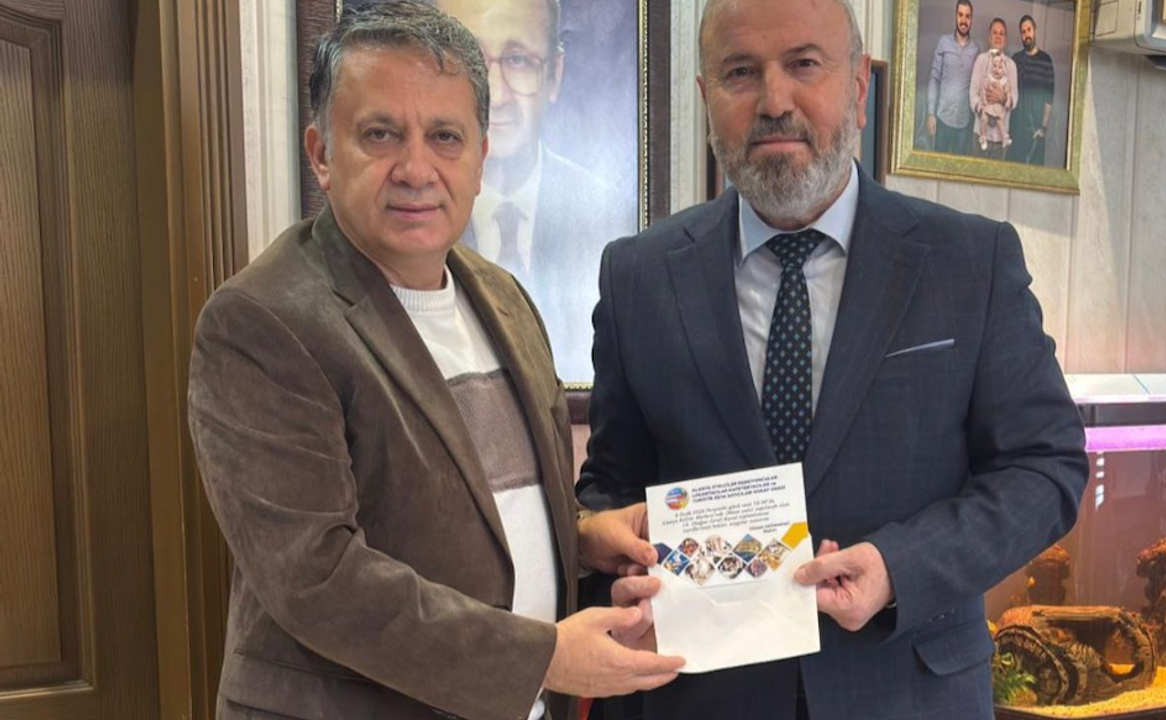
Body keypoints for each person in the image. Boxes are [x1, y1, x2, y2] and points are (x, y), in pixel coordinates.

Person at [576, 0, 1088, 718]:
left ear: (858, 86)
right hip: (696, 696)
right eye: (740, 72)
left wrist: (899, 568)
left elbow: (1045, 467)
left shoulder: (970, 261)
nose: (774, 101)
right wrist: (602, 550)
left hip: (907, 694)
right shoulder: (638, 275)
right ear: (705, 97)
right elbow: (611, 487)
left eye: (804, 64)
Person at [187, 4, 682, 719]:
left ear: (480, 158)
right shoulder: (261, 322)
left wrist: (581, 536)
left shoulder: (502, 297)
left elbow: (478, 511)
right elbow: (316, 577)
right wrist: (542, 657)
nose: (416, 169)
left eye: (445, 136)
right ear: (321, 154)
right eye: (380, 134)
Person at [436, 0, 633, 383]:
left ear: (554, 75)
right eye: (471, 62)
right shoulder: (410, 219)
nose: (496, 94)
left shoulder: (612, 215)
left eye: (518, 60)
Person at [926, 0, 980, 155]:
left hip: (964, 124)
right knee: (938, 165)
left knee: (958, 168)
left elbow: (976, 87)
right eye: (961, 15)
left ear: (971, 19)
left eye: (967, 16)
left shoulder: (976, 50)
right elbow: (934, 78)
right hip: (942, 119)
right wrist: (931, 113)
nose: (964, 20)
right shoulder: (944, 42)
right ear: (956, 16)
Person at [969, 17, 1018, 160]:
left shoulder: (1011, 65)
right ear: (989, 38)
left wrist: (1002, 98)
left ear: (1005, 39)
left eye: (1001, 33)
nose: (998, 36)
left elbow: (1015, 98)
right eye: (995, 33)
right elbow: (973, 93)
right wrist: (985, 111)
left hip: (1000, 138)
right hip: (979, 133)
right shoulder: (981, 60)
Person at [1009, 14, 1055, 165]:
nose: (1026, 35)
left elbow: (1049, 98)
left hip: (1036, 130)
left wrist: (1043, 128)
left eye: (1029, 30)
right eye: (1023, 32)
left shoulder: (1046, 60)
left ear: (1035, 30)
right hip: (1016, 130)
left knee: (1034, 174)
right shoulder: (1015, 59)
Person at [975, 48, 1013, 153]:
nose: (996, 69)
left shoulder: (1005, 81)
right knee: (984, 118)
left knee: (1000, 121)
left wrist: (1007, 101)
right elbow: (983, 89)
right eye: (994, 66)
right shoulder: (989, 78)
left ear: (1004, 70)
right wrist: (984, 101)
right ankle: (983, 137)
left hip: (998, 107)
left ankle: (1004, 137)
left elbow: (1009, 93)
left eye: (1000, 67)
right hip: (988, 105)